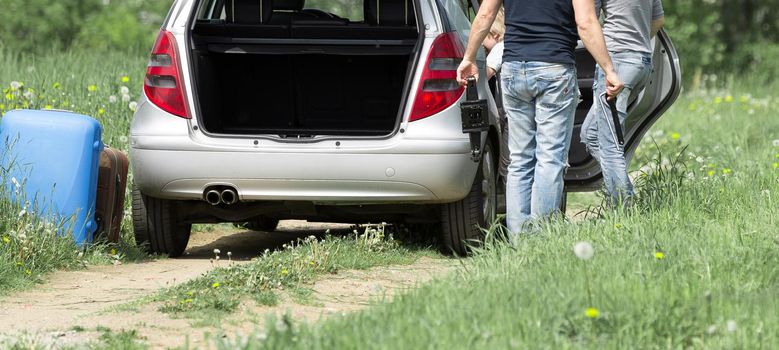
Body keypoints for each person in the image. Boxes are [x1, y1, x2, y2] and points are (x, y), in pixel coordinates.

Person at [457, 0, 624, 235]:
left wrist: (469, 58)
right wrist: (609, 69)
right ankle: (539, 240)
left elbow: (485, 14)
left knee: (520, 160)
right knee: (550, 159)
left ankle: (519, 241)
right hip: (554, 69)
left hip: (514, 69)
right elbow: (585, 22)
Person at [580, 0, 665, 207]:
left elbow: (588, 20)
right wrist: (637, 40)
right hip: (641, 62)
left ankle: (623, 209)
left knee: (610, 146)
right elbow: (658, 20)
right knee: (590, 134)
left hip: (617, 62)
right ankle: (625, 194)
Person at [483, 7, 505, 80]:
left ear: (495, 35)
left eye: (483, 35)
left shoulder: (500, 47)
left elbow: (486, 75)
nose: (481, 40)